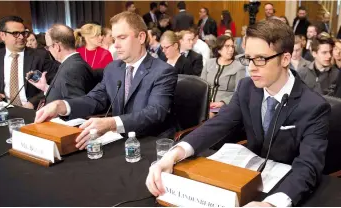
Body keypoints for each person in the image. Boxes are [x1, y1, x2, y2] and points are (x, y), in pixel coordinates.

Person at [146, 19, 331, 207]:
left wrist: (272, 204)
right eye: (248, 58)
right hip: (247, 181)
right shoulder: (247, 87)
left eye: (260, 59)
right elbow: (218, 125)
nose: (251, 68)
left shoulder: (314, 107)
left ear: (285, 59)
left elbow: (308, 166)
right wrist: (173, 155)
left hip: (288, 188)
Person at [34, 11, 178, 149]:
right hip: (118, 141)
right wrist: (62, 106)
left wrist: (111, 123)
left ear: (141, 37)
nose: (115, 45)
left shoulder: (163, 71)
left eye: (122, 37)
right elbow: (95, 99)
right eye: (114, 39)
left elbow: (154, 113)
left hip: (151, 143)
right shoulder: (113, 68)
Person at [0, 15, 59, 109]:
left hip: (32, 109)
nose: (21, 37)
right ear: (2, 35)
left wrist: (32, 103)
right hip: (2, 108)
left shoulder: (41, 56)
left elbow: (53, 84)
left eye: (24, 33)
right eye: (15, 33)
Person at [27, 24, 97, 106]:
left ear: (57, 47)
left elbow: (76, 106)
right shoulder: (71, 63)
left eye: (48, 47)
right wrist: (46, 88)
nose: (48, 50)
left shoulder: (72, 68)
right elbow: (64, 93)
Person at [202, 35, 245, 118]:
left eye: (232, 46)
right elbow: (202, 86)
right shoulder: (209, 63)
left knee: (210, 114)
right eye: (227, 46)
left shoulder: (239, 67)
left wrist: (222, 103)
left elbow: (239, 92)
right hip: (205, 103)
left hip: (224, 105)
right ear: (219, 49)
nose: (231, 49)